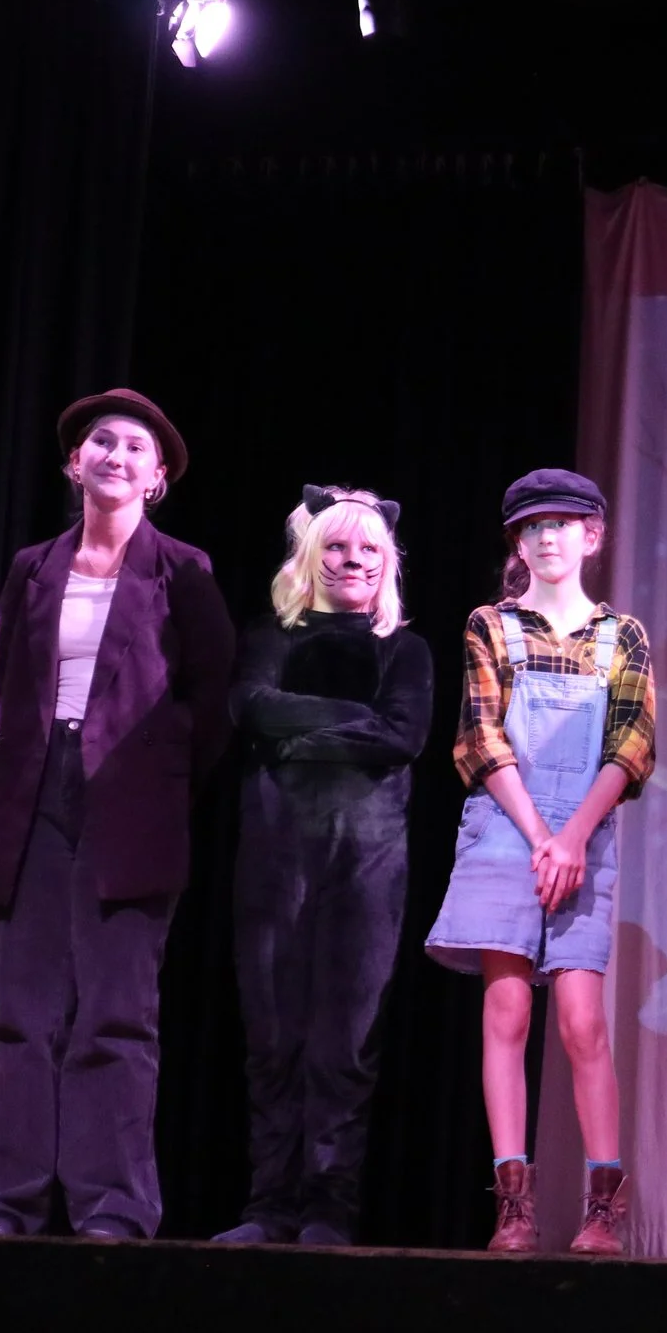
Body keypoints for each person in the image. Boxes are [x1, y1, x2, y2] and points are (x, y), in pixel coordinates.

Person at [0, 389, 234, 1239]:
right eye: (100, 442)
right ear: (73, 464)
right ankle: (8, 1203)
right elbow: (6, 684)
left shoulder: (182, 569)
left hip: (130, 803)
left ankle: (113, 1206)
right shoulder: (32, 566)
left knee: (117, 1016)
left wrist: (156, 782)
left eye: (134, 448)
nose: (115, 455)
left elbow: (212, 695)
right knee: (24, 1016)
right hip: (34, 797)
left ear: (156, 479)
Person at [424, 468, 654, 1255]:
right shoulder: (492, 623)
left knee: (584, 1019)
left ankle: (604, 1204)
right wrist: (539, 837)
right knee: (508, 1012)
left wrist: (575, 836)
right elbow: (480, 736)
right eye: (532, 526)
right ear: (517, 542)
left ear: (593, 534)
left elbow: (633, 741)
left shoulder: (621, 634)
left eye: (563, 522)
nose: (547, 536)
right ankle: (514, 1203)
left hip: (583, 835)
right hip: (505, 830)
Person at [214, 487, 433, 1247]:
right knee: (273, 1036)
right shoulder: (272, 633)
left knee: (347, 1040)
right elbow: (249, 706)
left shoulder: (404, 649)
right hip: (275, 860)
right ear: (311, 555)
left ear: (386, 565)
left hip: (367, 865)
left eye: (368, 550)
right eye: (337, 547)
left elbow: (404, 734)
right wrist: (350, 725)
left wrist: (297, 730)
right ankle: (268, 1205)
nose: (352, 561)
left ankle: (327, 1209)